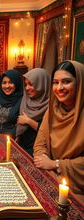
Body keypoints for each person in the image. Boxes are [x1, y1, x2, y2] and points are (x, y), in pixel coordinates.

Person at [33, 61, 84, 200]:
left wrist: (56, 164)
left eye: (66, 82)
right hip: (51, 176)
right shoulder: (52, 110)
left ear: (79, 83)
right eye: (55, 82)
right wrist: (43, 158)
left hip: (76, 188)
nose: (59, 88)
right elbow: (40, 143)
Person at [16, 68, 50, 156]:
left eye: (31, 84)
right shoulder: (26, 99)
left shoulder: (52, 105)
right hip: (22, 146)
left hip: (40, 152)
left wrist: (28, 121)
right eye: (25, 84)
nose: (27, 88)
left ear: (41, 84)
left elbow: (50, 133)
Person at [0, 69, 23, 138]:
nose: (7, 86)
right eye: (4, 83)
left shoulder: (22, 100)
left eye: (11, 82)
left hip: (12, 139)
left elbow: (21, 124)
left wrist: (7, 136)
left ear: (17, 83)